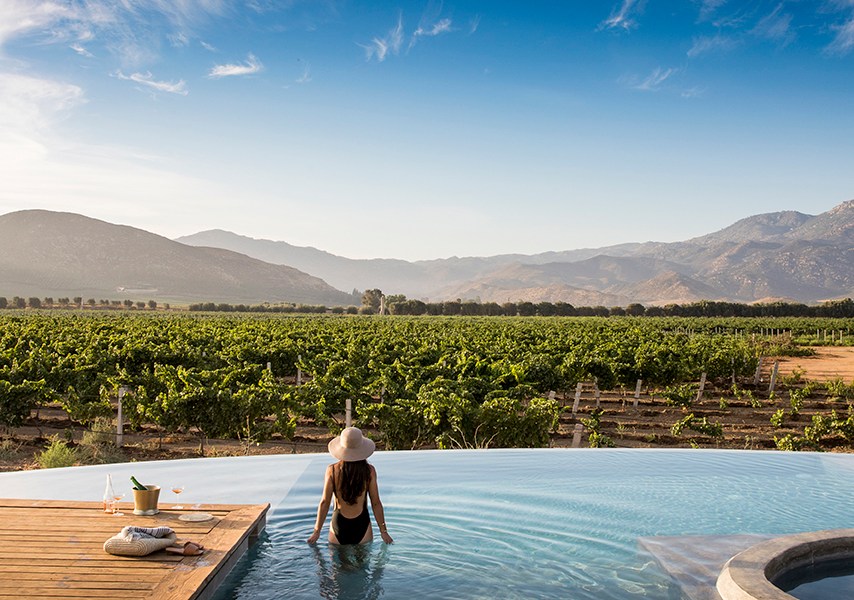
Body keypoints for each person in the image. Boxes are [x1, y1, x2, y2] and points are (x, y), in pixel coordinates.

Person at [307, 427, 393, 545]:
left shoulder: (332, 470)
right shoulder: (369, 471)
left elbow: (324, 502)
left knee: (338, 563)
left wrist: (316, 532)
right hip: (362, 525)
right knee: (362, 563)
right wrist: (383, 531)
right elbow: (376, 502)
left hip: (338, 526)